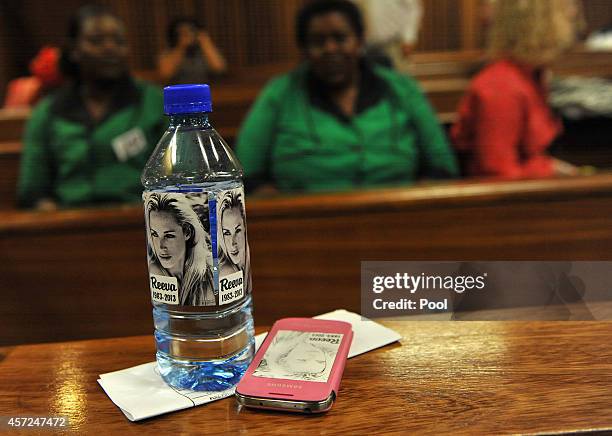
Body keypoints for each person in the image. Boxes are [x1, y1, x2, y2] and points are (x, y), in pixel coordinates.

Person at [236, 0, 458, 194]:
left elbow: (443, 166)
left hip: (400, 221)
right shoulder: (280, 94)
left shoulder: (401, 89)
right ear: (304, 49)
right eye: (318, 41)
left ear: (360, 41)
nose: (330, 49)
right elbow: (246, 173)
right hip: (304, 228)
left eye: (341, 38)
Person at [17, 5, 166, 209]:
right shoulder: (48, 111)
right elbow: (32, 191)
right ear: (74, 51)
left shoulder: (155, 101)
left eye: (119, 41)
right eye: (97, 41)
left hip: (141, 220)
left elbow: (178, 180)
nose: (110, 48)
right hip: (68, 223)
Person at [451, 0, 580, 179]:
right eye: (565, 7)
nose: (573, 13)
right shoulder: (500, 86)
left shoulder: (532, 73)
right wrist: (551, 170)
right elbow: (497, 175)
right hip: (506, 203)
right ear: (540, 21)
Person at [146, 192, 215, 306]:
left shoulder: (210, 271)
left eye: (168, 236)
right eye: (155, 234)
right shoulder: (154, 271)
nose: (160, 246)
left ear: (187, 232)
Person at [356, 0, 423, 70]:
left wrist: (409, 38)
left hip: (393, 45)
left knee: (397, 78)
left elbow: (413, 9)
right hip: (363, 47)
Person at [158, 18, 226, 84]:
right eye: (182, 33)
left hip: (204, 90)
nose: (188, 35)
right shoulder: (169, 52)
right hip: (179, 91)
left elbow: (219, 69)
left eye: (191, 31)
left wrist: (205, 41)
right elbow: (166, 74)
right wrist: (181, 47)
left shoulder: (205, 50)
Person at [218, 189, 252, 294]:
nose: (233, 242)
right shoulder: (226, 272)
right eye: (226, 233)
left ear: (245, 227)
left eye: (237, 230)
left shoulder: (244, 267)